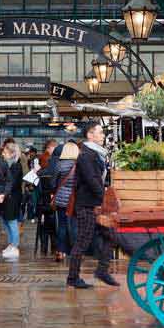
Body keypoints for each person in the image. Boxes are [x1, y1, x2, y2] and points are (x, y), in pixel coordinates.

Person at [67, 123, 117, 288]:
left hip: (96, 205)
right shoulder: (86, 155)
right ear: (90, 135)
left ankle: (102, 270)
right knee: (83, 241)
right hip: (87, 205)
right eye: (101, 133)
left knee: (110, 236)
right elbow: (92, 181)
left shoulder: (97, 154)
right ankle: (73, 278)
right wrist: (105, 199)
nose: (103, 136)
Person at [43, 142, 78, 262]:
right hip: (75, 199)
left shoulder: (60, 164)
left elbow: (53, 183)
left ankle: (61, 251)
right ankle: (75, 252)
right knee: (74, 225)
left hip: (62, 199)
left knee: (62, 225)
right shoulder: (80, 165)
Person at [1, 141, 24, 260]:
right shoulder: (8, 165)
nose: (3, 154)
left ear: (11, 153)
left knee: (12, 221)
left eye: (5, 152)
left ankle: (14, 246)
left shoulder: (15, 166)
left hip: (12, 197)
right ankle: (11, 244)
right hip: (8, 197)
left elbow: (12, 183)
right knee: (6, 221)